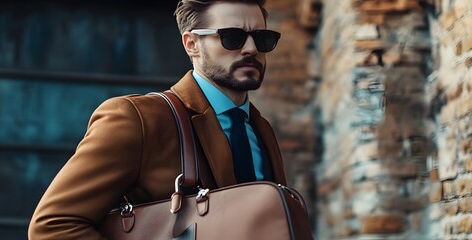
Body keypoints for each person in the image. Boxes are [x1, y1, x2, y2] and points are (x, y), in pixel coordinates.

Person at [29, 0, 286, 239]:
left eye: (262, 39)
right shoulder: (139, 118)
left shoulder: (260, 129)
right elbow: (53, 225)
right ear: (191, 44)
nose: (251, 49)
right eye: (233, 37)